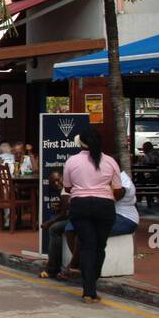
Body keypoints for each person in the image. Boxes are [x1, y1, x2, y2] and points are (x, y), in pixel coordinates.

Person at [61, 125, 122, 303]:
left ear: (81, 143)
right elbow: (117, 189)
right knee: (100, 247)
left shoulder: (72, 161)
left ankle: (89, 290)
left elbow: (67, 187)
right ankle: (91, 284)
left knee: (87, 246)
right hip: (105, 205)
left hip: (80, 205)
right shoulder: (110, 161)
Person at [39, 171, 73, 280]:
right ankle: (52, 260)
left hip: (76, 219)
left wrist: (48, 223)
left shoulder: (65, 190)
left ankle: (52, 268)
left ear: (63, 178)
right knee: (53, 222)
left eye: (58, 180)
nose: (57, 184)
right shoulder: (64, 190)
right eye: (54, 183)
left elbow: (64, 215)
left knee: (54, 228)